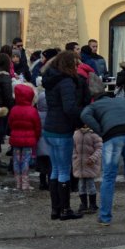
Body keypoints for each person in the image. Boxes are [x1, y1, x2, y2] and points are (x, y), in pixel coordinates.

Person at [80, 90, 125, 225]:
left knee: (109, 177)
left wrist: (100, 130)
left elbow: (84, 115)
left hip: (112, 136)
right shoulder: (123, 100)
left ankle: (105, 217)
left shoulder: (94, 105)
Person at [42, 50, 85, 220]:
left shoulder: (51, 80)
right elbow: (69, 108)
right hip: (62, 129)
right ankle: (65, 209)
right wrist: (81, 116)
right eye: (75, 63)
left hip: (50, 127)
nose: (77, 66)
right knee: (64, 170)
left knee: (55, 169)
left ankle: (55, 209)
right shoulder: (66, 82)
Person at [7, 83, 41, 190]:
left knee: (16, 161)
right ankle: (25, 183)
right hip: (29, 141)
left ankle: (18, 183)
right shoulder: (33, 110)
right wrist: (36, 137)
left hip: (16, 139)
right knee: (26, 161)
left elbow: (10, 123)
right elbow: (37, 126)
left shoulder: (13, 109)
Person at [72, 119, 103, 214]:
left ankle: (93, 204)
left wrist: (93, 158)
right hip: (79, 165)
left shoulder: (94, 135)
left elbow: (100, 148)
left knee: (90, 185)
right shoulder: (76, 134)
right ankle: (84, 204)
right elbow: (73, 148)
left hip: (90, 164)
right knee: (81, 186)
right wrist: (74, 157)